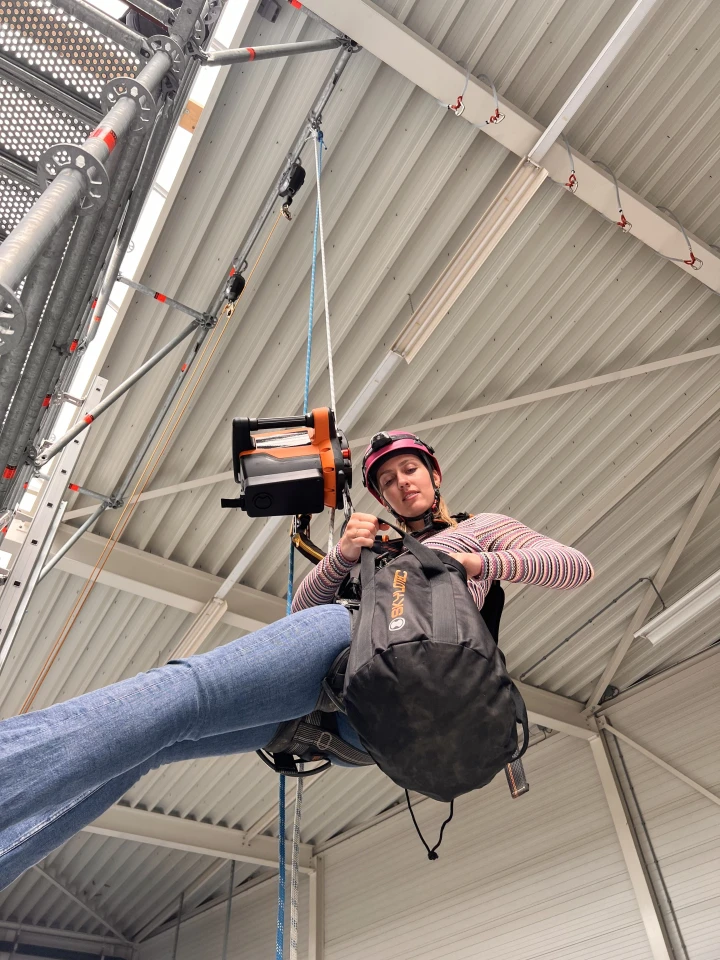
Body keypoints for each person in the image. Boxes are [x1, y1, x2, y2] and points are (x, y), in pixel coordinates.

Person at [0, 430, 592, 889]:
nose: (401, 484)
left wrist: (477, 562)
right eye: (387, 480)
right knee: (158, 740)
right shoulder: (377, 548)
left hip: (394, 679)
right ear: (380, 496)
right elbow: (300, 613)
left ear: (434, 475)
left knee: (188, 691)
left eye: (410, 470)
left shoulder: (479, 528)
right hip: (349, 714)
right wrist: (343, 556)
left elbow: (573, 565)